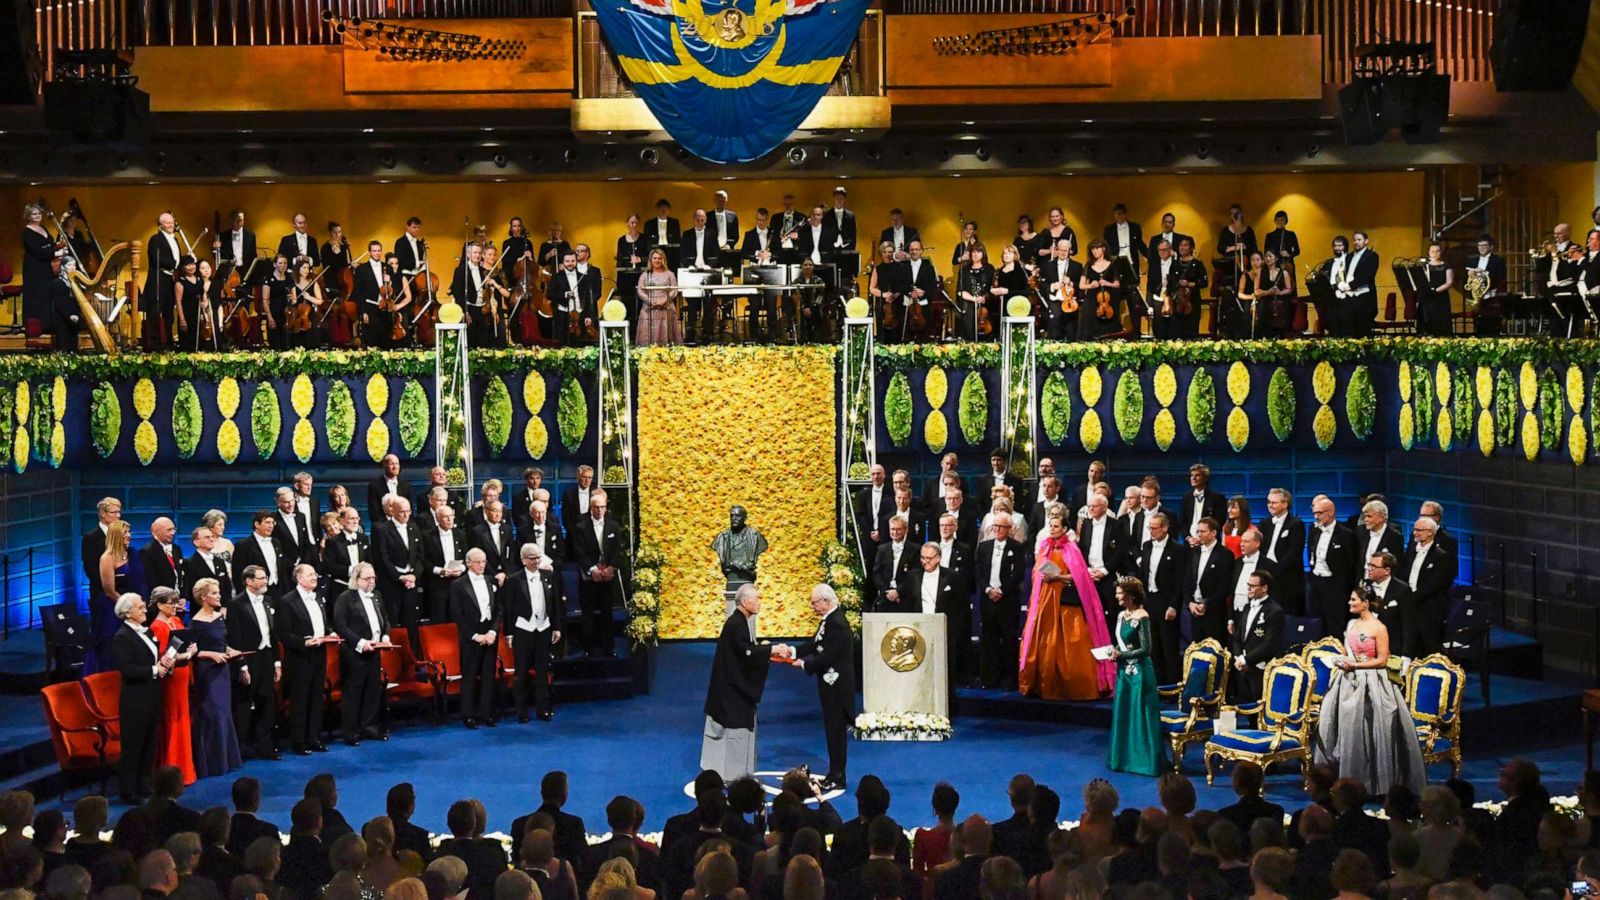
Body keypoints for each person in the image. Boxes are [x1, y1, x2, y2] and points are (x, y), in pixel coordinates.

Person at [1312, 583, 1426, 795]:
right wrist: (1341, 661)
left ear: (1365, 603)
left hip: (1373, 682)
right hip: (1347, 681)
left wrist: (1356, 665)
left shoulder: (1379, 628)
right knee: (1344, 726)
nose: (1350, 603)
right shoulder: (1352, 624)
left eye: (1354, 600)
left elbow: (1382, 660)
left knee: (1372, 728)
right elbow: (1347, 651)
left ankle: (1375, 781)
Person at [1019, 505, 1114, 701]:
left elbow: (1080, 577)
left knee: (1072, 641)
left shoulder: (1071, 549)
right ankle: (1042, 683)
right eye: (1051, 525)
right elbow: (1037, 571)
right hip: (1045, 601)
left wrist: (1059, 578)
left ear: (1064, 529)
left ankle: (1073, 685)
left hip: (1065, 603)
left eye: (1056, 526)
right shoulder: (1045, 546)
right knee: (1043, 640)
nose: (1052, 529)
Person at [773, 585, 856, 791]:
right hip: (830, 686)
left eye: (814, 602)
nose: (812, 606)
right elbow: (814, 644)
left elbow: (828, 655)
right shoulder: (830, 620)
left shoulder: (836, 623)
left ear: (826, 602)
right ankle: (834, 773)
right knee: (831, 730)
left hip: (837, 687)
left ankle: (838, 776)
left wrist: (803, 664)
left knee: (836, 732)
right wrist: (792, 651)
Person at [701, 585, 771, 780]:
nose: (759, 602)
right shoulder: (736, 625)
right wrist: (771, 651)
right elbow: (745, 654)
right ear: (745, 601)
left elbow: (745, 651)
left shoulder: (739, 622)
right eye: (756, 598)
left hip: (725, 686)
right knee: (732, 732)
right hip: (729, 690)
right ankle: (734, 776)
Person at [113, 594, 176, 803]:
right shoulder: (122, 637)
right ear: (127, 612)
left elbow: (153, 658)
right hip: (135, 699)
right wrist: (154, 669)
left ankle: (144, 784)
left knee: (150, 743)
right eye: (140, 608)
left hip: (152, 694)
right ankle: (128, 790)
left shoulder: (147, 632)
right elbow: (128, 669)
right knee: (134, 745)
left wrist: (164, 661)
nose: (144, 611)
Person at [187, 578, 243, 778]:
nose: (219, 596)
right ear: (203, 597)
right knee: (212, 714)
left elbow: (222, 643)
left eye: (219, 593)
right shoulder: (196, 622)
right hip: (207, 671)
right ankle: (211, 763)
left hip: (223, 669)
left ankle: (227, 760)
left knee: (224, 712)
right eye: (214, 593)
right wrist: (212, 655)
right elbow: (193, 652)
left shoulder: (220, 617)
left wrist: (231, 651)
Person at [1106, 578, 1163, 776]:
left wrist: (1121, 655)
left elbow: (1146, 649)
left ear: (1130, 595)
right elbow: (1122, 643)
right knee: (1125, 712)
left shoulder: (1143, 616)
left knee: (1140, 712)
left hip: (1140, 674)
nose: (1116, 596)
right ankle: (1123, 758)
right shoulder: (1122, 615)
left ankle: (1144, 761)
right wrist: (1114, 651)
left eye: (1119, 593)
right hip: (1125, 672)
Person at [333, 562, 392, 745]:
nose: (372, 581)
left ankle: (369, 727)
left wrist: (385, 635)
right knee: (353, 693)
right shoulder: (345, 598)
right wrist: (360, 642)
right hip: (354, 653)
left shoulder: (377, 596)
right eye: (367, 578)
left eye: (373, 577)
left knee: (372, 691)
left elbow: (386, 620)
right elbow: (340, 625)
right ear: (357, 580)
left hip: (375, 651)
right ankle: (351, 733)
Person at [277, 563, 334, 755]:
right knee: (300, 700)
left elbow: (322, 624)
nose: (315, 577)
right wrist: (304, 642)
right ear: (299, 578)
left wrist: (329, 633)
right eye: (310, 574)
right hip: (299, 657)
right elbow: (284, 633)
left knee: (316, 698)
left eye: (315, 574)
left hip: (320, 654)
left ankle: (314, 738)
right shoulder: (287, 601)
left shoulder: (318, 597)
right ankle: (299, 741)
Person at [504, 542, 562, 723]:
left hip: (543, 628)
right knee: (521, 672)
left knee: (542, 671)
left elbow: (556, 605)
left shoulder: (549, 576)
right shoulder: (514, 579)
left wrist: (557, 627)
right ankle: (521, 711)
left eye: (539, 557)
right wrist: (509, 633)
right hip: (523, 629)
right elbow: (508, 608)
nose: (537, 561)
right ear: (523, 560)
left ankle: (542, 709)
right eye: (533, 558)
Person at [149, 586, 198, 785]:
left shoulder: (176, 621)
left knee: (183, 717)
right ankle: (170, 772)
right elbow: (163, 656)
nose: (176, 606)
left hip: (184, 675)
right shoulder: (157, 627)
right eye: (171, 602)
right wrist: (187, 655)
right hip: (170, 679)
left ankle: (185, 770)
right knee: (172, 718)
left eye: (177, 602)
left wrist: (191, 649)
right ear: (159, 604)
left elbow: (183, 643)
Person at [571, 489, 627, 658]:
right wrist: (593, 569)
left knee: (607, 613)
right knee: (588, 614)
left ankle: (608, 647)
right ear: (591, 508)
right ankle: (587, 648)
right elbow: (579, 552)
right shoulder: (581, 527)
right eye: (596, 507)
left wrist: (612, 567)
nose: (600, 510)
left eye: (602, 507)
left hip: (607, 578)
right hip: (589, 577)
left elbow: (617, 550)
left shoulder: (613, 526)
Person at [450, 548, 501, 729]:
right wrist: (474, 635)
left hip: (489, 634)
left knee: (488, 676)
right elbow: (457, 614)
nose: (482, 565)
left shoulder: (491, 580)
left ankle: (486, 713)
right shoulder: (458, 585)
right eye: (478, 562)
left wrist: (493, 632)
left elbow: (499, 610)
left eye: (484, 562)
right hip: (470, 635)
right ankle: (469, 715)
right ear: (468, 563)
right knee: (470, 676)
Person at [976, 517, 1028, 690]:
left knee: (1008, 640)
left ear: (1009, 528)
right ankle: (989, 678)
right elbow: (978, 572)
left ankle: (1009, 680)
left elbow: (1019, 573)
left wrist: (1002, 590)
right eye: (995, 526)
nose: (997, 529)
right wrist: (988, 590)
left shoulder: (1017, 548)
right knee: (989, 640)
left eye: (1001, 526)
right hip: (987, 599)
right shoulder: (984, 547)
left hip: (1007, 600)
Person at [1231, 570, 1285, 704]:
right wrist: (1239, 657)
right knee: (1245, 706)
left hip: (1261, 669)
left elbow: (1270, 644)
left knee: (1258, 708)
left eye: (1253, 586)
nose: (1248, 588)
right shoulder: (1247, 607)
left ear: (1264, 588)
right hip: (1243, 668)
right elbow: (1238, 637)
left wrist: (1247, 659)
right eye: (1248, 585)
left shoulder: (1275, 611)